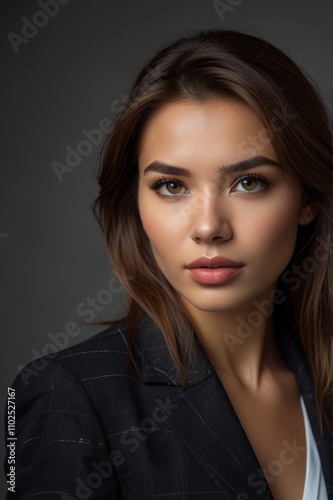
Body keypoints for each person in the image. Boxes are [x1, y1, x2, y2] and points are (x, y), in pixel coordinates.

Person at [5, 29, 333, 500]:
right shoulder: (67, 396)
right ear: (135, 201)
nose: (208, 227)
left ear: (307, 200)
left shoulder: (320, 378)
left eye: (249, 182)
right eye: (172, 186)